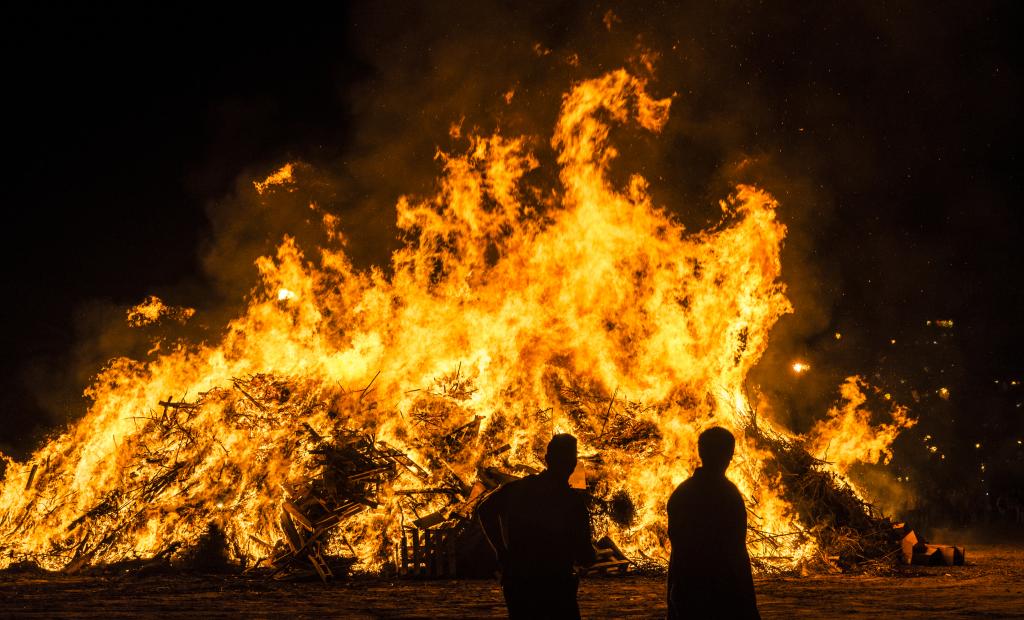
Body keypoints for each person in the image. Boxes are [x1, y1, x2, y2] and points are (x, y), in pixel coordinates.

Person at [479, 433, 597, 619]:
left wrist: (501, 551)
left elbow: (485, 509)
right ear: (573, 464)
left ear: (547, 459)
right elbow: (585, 555)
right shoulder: (571, 502)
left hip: (520, 582)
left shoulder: (520, 489)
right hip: (556, 586)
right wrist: (590, 556)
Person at [667, 426, 759, 619]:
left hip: (688, 592)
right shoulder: (729, 495)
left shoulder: (681, 493)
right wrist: (749, 603)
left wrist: (673, 596)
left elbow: (678, 550)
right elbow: (736, 551)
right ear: (729, 456)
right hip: (724, 594)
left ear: (701, 452)